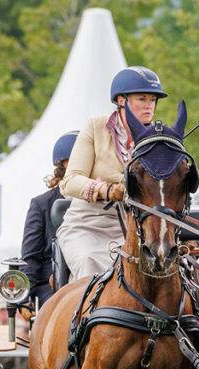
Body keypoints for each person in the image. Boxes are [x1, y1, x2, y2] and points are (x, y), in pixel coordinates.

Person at [57, 66, 166, 279]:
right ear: (121, 100)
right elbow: (69, 182)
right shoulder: (96, 127)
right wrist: (107, 190)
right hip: (87, 225)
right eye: (142, 99)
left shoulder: (159, 140)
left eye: (152, 100)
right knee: (87, 262)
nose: (149, 106)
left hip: (135, 229)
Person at [21, 130, 79, 306]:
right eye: (77, 158)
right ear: (63, 163)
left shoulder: (101, 198)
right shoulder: (41, 204)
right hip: (50, 284)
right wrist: (25, 297)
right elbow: (30, 257)